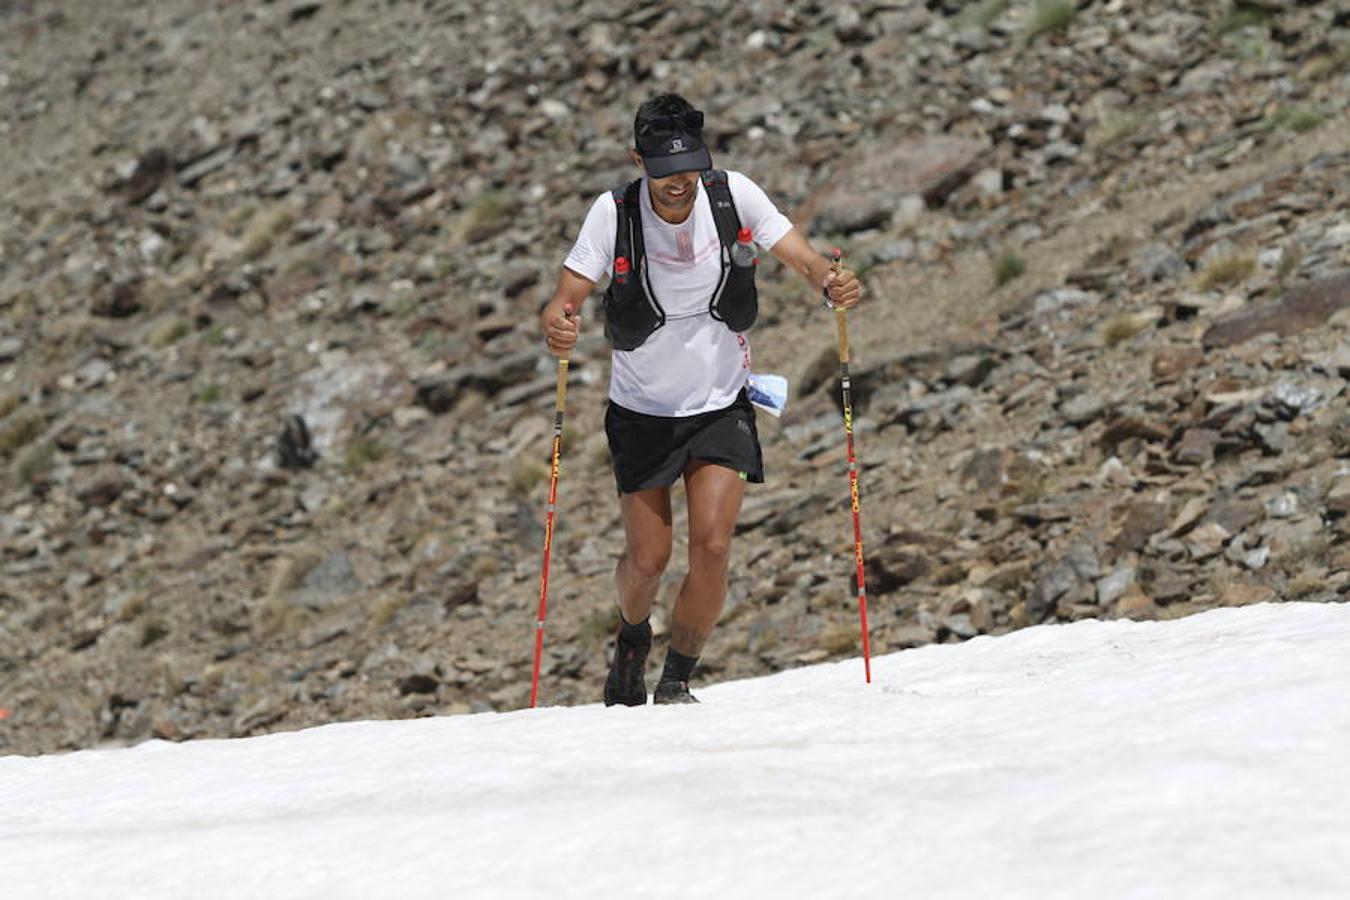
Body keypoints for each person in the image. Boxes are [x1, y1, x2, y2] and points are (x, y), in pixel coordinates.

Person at [539, 93, 862, 705]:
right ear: (639, 161)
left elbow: (800, 255)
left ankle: (676, 680)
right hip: (642, 412)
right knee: (648, 560)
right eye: (664, 172)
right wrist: (558, 321)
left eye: (688, 168)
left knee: (712, 544)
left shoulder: (731, 193)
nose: (679, 184)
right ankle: (632, 641)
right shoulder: (613, 213)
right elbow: (567, 294)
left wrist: (829, 280)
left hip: (721, 401)